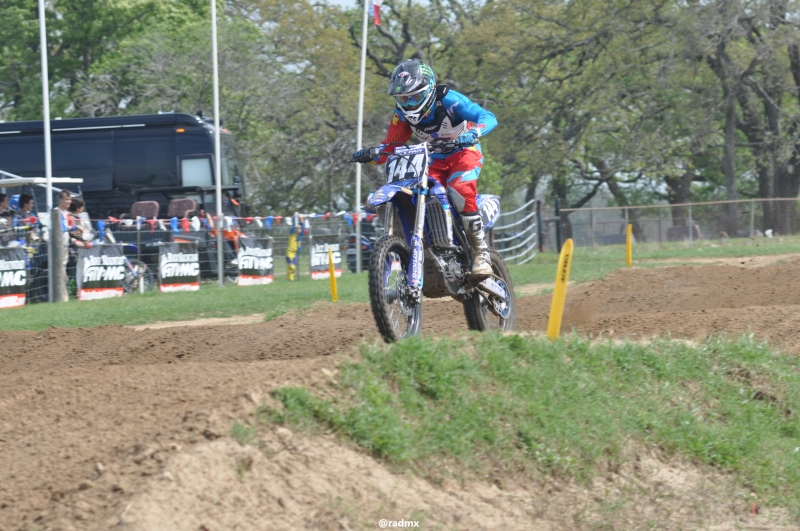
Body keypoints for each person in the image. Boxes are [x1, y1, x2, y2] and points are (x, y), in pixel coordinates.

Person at [352, 58, 498, 278]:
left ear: (429, 90)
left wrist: (473, 132)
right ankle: (427, 242)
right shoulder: (402, 115)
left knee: (460, 188)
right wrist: (371, 155)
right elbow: (391, 146)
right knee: (416, 190)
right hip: (433, 158)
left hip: (464, 152)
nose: (410, 103)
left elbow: (488, 117)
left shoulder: (449, 100)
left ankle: (480, 253)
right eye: (404, 98)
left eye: (415, 96)